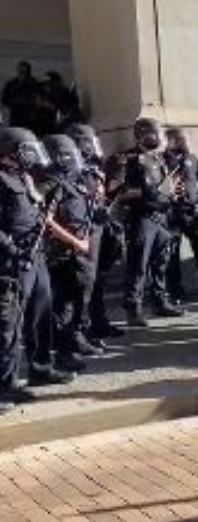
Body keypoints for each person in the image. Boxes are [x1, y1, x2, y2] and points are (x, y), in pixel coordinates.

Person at [0, 127, 77, 415]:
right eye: (27, 149)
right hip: (11, 263)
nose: (32, 154)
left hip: (36, 258)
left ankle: (41, 368)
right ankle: (4, 386)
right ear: (11, 150)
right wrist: (11, 250)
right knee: (9, 326)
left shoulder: (25, 177)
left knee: (41, 314)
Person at [113, 117, 184, 327]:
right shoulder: (128, 159)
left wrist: (172, 193)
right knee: (138, 265)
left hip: (162, 216)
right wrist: (147, 192)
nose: (162, 138)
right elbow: (117, 191)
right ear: (146, 135)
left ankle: (159, 301)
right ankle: (133, 308)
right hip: (141, 217)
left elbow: (168, 186)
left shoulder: (161, 159)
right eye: (158, 133)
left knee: (161, 263)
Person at [40, 134, 99, 370]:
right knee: (62, 305)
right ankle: (63, 353)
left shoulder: (73, 180)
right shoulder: (48, 183)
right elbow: (46, 221)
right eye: (63, 154)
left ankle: (74, 339)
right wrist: (74, 241)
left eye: (69, 153)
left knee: (78, 299)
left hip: (78, 249)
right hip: (60, 252)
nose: (69, 158)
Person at [64, 124, 124, 344]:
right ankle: (79, 330)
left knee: (96, 280)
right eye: (91, 141)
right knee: (83, 283)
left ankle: (98, 323)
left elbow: (101, 197)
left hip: (98, 227)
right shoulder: (70, 168)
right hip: (81, 232)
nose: (95, 145)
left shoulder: (92, 166)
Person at [163, 128, 198, 304]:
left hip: (193, 212)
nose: (185, 143)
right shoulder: (163, 159)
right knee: (172, 255)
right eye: (180, 139)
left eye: (186, 139)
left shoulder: (191, 159)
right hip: (172, 214)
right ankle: (175, 292)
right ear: (170, 141)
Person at [1, 62, 43, 133]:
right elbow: (4, 101)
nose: (22, 74)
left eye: (24, 72)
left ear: (29, 72)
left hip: (31, 120)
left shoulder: (36, 84)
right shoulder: (11, 84)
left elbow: (40, 102)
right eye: (20, 71)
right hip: (15, 119)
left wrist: (28, 101)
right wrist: (15, 101)